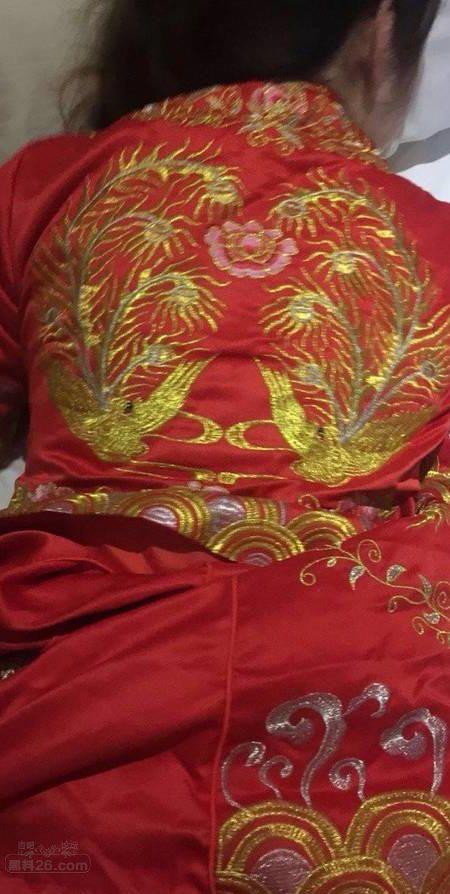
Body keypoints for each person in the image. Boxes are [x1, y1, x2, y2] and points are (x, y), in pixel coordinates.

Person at [0, 1, 449, 890]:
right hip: (374, 739)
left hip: (63, 746)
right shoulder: (434, 237)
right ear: (381, 28)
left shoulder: (44, 186)